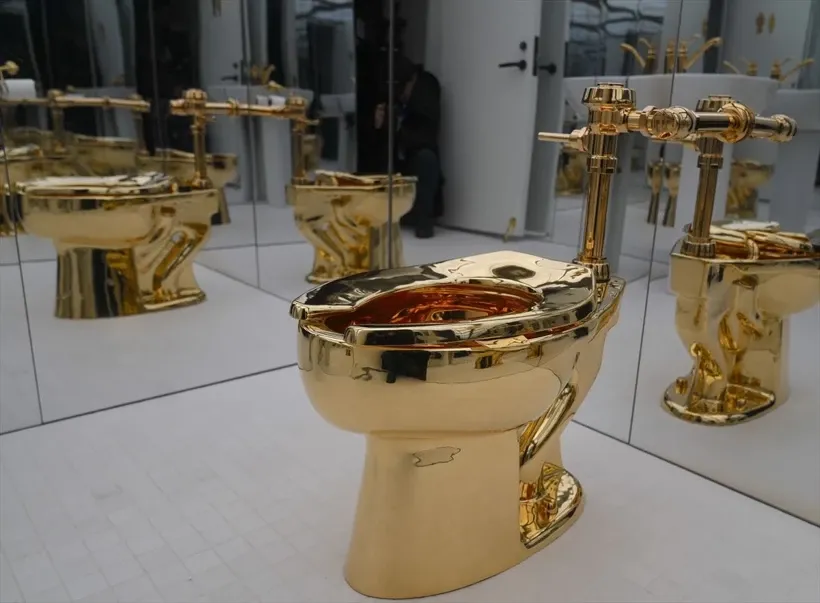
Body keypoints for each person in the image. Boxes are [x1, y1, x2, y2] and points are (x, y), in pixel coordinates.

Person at [375, 57, 442, 238]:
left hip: (416, 150)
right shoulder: (398, 98)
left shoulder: (426, 89)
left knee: (426, 158)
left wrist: (398, 124)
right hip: (400, 152)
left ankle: (423, 219)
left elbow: (425, 133)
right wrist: (381, 124)